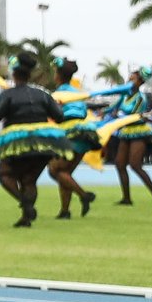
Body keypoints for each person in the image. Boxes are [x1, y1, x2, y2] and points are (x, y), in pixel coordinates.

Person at [0, 54, 67, 227]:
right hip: (42, 141)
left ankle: (26, 205)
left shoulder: (8, 95)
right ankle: (26, 217)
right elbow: (59, 117)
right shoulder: (43, 94)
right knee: (29, 180)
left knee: (4, 174)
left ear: (14, 75)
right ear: (30, 75)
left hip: (18, 141)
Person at [45, 61, 100, 218]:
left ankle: (84, 196)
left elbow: (55, 114)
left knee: (55, 170)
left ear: (58, 76)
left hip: (69, 132)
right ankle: (65, 211)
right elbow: (83, 112)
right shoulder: (77, 92)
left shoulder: (59, 94)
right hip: (84, 133)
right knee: (65, 173)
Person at [105, 71, 152, 207]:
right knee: (119, 163)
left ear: (140, 82)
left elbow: (133, 115)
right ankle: (126, 198)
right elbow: (113, 107)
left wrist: (118, 116)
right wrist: (102, 111)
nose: (129, 79)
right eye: (129, 77)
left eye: (133, 78)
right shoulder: (124, 95)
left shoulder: (141, 98)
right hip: (126, 131)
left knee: (135, 165)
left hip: (138, 131)